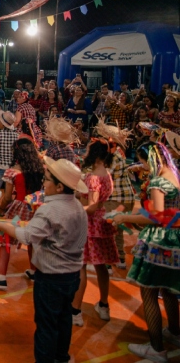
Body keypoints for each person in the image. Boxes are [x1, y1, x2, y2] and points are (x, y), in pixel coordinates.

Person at [0, 157, 88, 363]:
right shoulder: (77, 206)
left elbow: (26, 237)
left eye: (48, 179)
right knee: (63, 318)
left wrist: (1, 225)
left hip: (51, 278)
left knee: (46, 324)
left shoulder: (49, 210)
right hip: (71, 275)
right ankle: (62, 357)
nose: (44, 183)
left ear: (59, 187)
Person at [112, 142, 180, 362]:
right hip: (174, 238)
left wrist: (125, 218)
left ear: (150, 159)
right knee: (168, 288)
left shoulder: (158, 181)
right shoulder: (175, 176)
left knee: (149, 291)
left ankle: (156, 347)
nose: (142, 165)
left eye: (143, 161)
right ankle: (174, 331)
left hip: (159, 240)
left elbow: (156, 216)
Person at [0, 138, 44, 289]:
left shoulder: (12, 171)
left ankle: (1, 278)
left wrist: (1, 210)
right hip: (36, 208)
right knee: (33, 240)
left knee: (5, 241)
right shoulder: (40, 168)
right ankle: (34, 271)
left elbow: (8, 197)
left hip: (18, 208)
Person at [70, 139, 116, 327]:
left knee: (81, 267)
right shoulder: (107, 175)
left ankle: (75, 310)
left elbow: (92, 206)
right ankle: (104, 305)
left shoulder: (93, 177)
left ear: (95, 154)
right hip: (102, 223)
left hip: (90, 225)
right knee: (101, 266)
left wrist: (75, 207)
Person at [97, 123, 137, 269]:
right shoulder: (117, 152)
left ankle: (109, 261)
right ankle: (119, 258)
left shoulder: (114, 155)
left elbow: (106, 176)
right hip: (125, 196)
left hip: (117, 198)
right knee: (116, 228)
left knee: (107, 228)